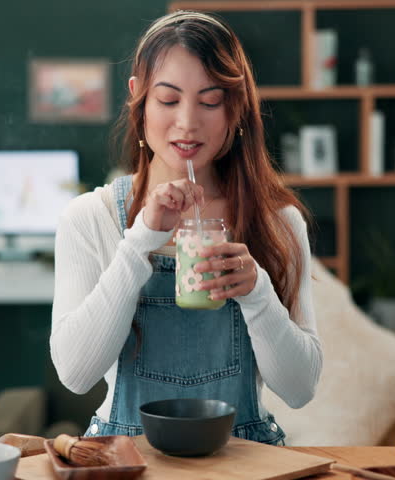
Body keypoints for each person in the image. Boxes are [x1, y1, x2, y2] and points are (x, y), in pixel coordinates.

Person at [50, 10, 322, 445]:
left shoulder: (278, 222)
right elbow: (76, 373)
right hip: (125, 460)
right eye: (169, 99)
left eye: (210, 101)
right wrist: (140, 241)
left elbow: (300, 388)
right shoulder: (90, 217)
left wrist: (257, 292)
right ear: (138, 98)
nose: (188, 122)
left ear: (235, 108)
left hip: (246, 460)